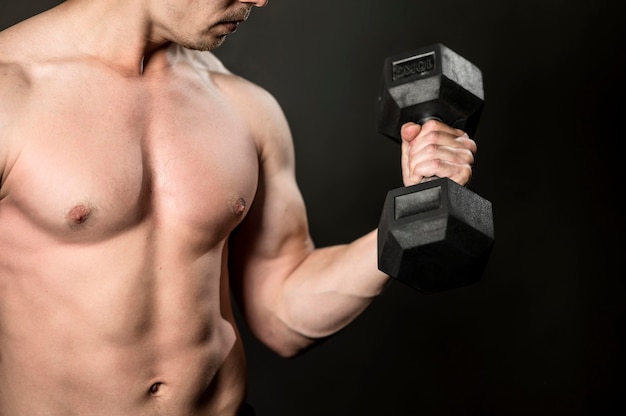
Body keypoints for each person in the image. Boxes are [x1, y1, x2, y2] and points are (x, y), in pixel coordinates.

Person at [0, 0, 477, 415]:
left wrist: (411, 218)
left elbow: (282, 311)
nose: (260, 0)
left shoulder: (244, 106)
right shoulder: (10, 92)